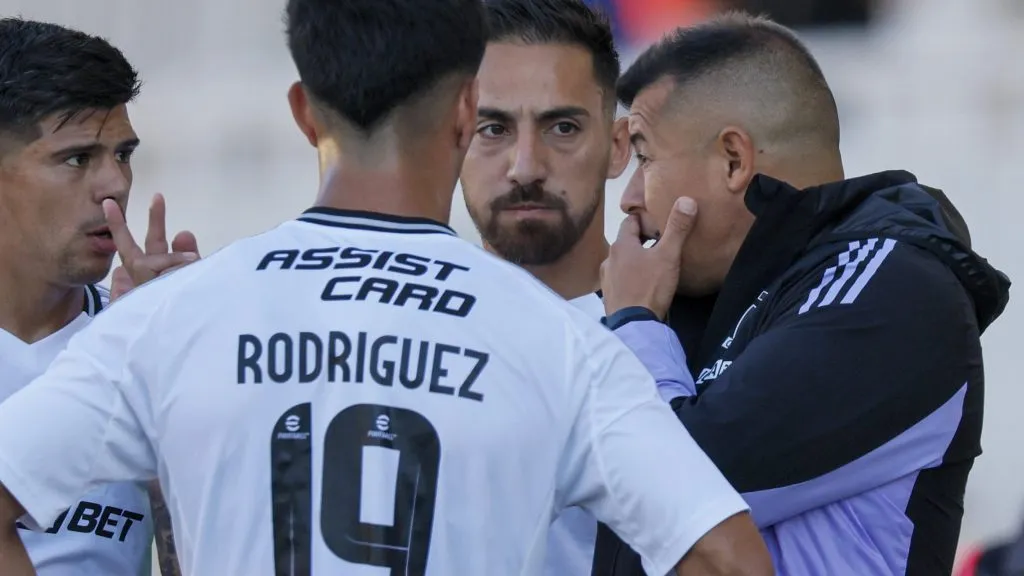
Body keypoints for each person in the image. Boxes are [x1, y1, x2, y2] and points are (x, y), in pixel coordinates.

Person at [0, 2, 772, 575]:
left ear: (304, 113)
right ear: (466, 112)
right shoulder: (558, 341)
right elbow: (729, 561)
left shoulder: (173, 318)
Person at [592, 11, 1011, 576]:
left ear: (734, 160)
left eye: (644, 157)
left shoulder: (892, 292)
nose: (629, 197)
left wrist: (635, 323)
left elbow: (675, 491)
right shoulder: (721, 293)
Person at [0, 18, 193, 576]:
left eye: (124, 154)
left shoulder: (140, 336)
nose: (115, 184)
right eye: (78, 158)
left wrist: (173, 380)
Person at [460, 1, 632, 573]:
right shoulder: (393, 333)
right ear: (450, 140)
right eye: (493, 128)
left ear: (618, 146)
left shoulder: (701, 333)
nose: (526, 166)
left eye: (562, 127)